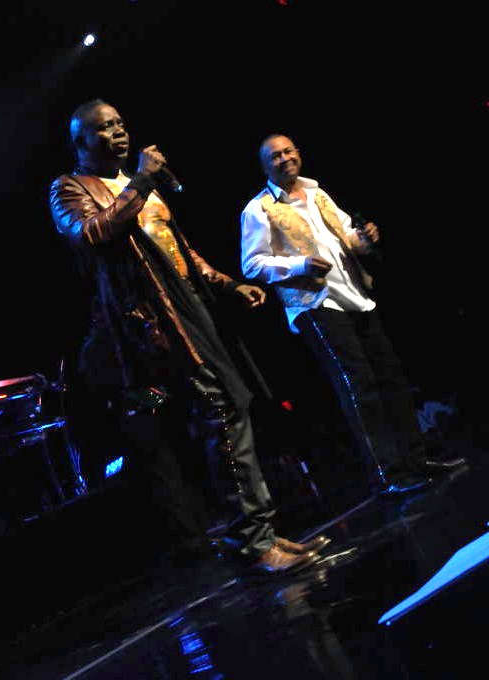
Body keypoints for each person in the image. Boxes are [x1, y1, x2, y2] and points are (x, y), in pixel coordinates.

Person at [48, 100, 328, 576]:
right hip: (154, 324)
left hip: (190, 308)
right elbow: (91, 233)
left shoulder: (138, 185)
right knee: (221, 412)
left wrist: (228, 284)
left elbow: (179, 250)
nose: (118, 132)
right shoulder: (70, 187)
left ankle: (256, 532)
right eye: (104, 128)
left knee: (234, 407)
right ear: (81, 141)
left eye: (120, 123)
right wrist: (140, 182)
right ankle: (252, 540)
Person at [240, 134, 466, 495]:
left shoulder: (317, 193)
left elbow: (346, 234)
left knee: (391, 377)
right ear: (265, 167)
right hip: (315, 303)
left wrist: (363, 237)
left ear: (298, 153)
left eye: (288, 151)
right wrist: (298, 264)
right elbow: (252, 263)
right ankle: (390, 474)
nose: (284, 159)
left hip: (355, 295)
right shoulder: (258, 209)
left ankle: (417, 458)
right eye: (275, 156)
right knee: (360, 386)